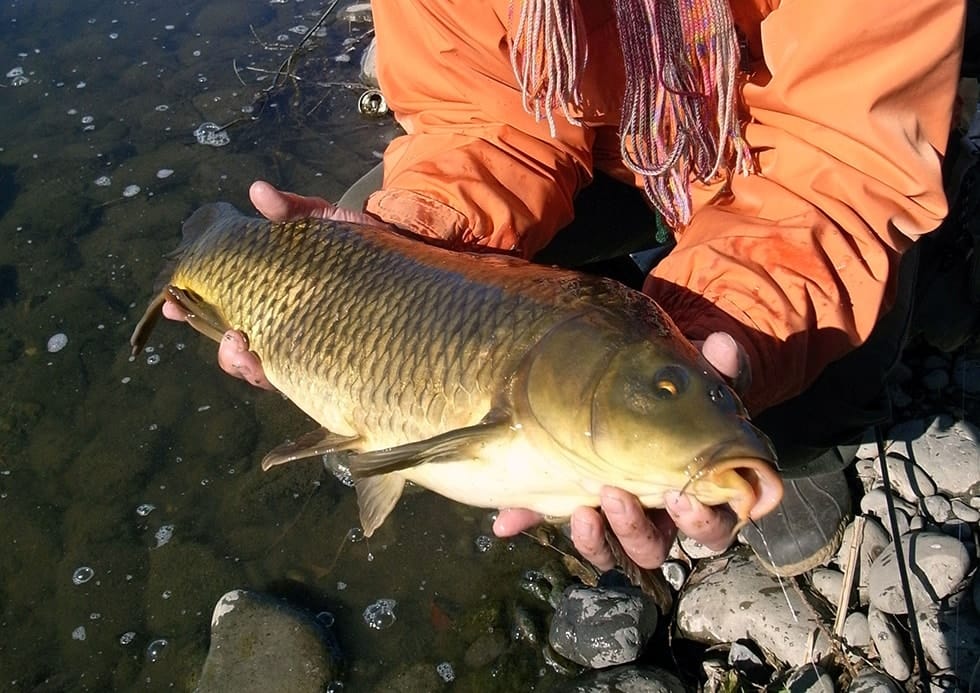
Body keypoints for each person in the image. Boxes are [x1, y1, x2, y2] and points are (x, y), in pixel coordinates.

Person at [165, 0, 965, 578]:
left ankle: (793, 435)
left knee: (820, 352)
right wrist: (410, 239)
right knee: (376, 236)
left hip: (767, 150)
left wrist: (727, 331)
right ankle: (609, 304)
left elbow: (840, 176)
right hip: (578, 126)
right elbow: (476, 114)